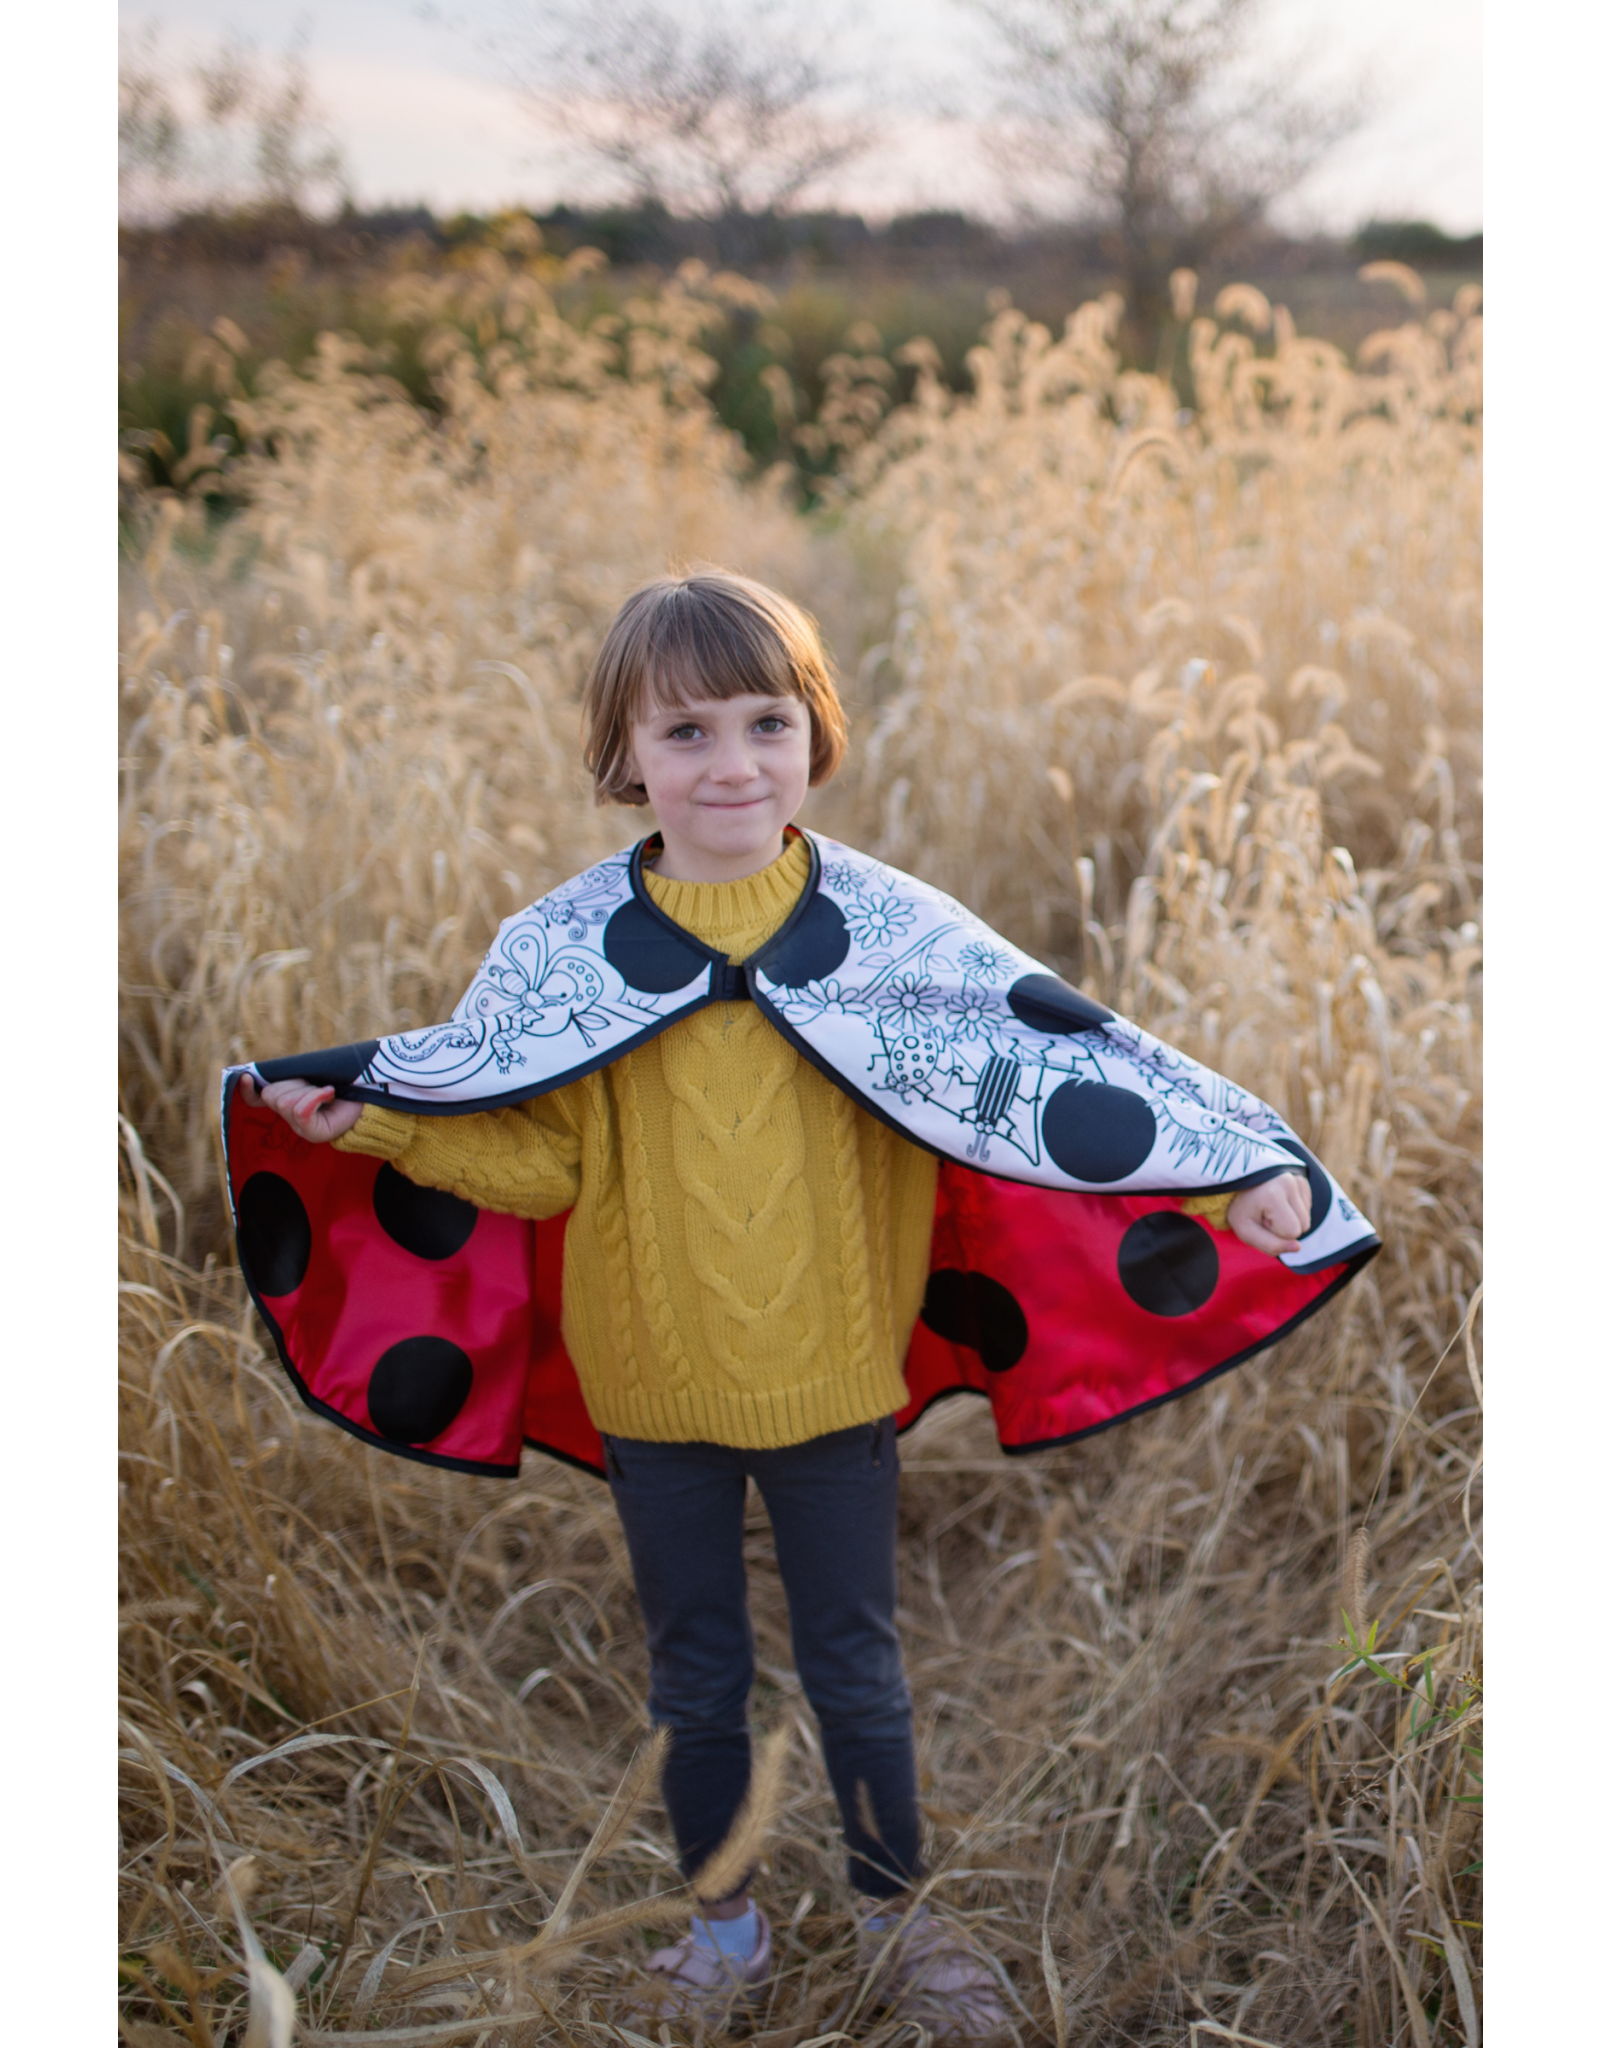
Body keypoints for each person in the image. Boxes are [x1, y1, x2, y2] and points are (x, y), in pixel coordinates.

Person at [239, 569, 1327, 2040]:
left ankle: (898, 1914)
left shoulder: (894, 937)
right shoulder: (565, 950)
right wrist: (362, 1124)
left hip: (833, 1379)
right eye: (685, 733)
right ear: (626, 755)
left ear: (816, 732)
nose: (732, 762)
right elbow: (540, 1160)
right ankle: (723, 1928)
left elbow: (1056, 1078)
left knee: (856, 1661)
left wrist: (1228, 1175)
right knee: (695, 1673)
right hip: (653, 1389)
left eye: (766, 721)